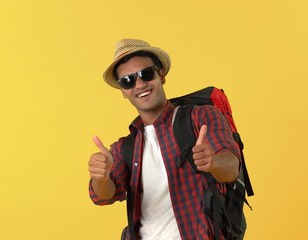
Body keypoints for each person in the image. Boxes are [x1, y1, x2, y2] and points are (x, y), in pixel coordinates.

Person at [88, 38, 241, 239]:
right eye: (128, 81)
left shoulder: (201, 118)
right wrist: (102, 177)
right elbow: (103, 196)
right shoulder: (124, 147)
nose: (140, 84)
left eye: (146, 74)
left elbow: (232, 168)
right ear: (123, 92)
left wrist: (213, 162)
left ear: (161, 75)